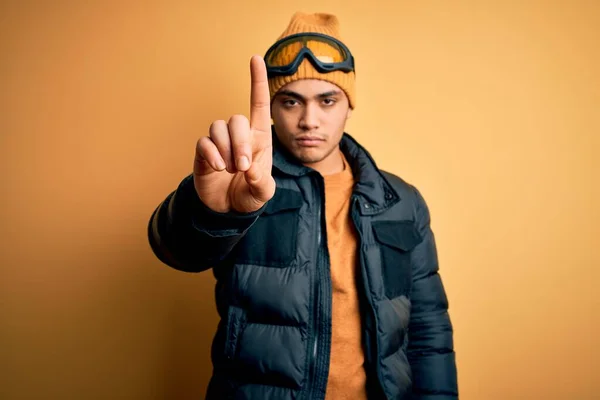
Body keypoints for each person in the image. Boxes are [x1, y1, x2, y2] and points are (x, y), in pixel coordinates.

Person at [148, 11, 458, 400]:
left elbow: (429, 329)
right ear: (273, 109)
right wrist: (213, 210)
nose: (309, 120)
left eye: (327, 100)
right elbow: (175, 250)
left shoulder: (400, 201)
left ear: (349, 105)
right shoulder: (245, 184)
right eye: (291, 101)